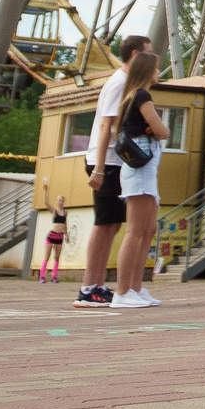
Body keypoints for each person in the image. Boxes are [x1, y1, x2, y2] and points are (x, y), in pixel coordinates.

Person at [75, 34, 156, 308]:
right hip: (108, 160)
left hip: (118, 160)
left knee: (112, 224)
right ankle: (88, 286)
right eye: (148, 53)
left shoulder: (128, 83)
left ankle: (98, 284)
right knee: (104, 223)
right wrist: (98, 168)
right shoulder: (119, 83)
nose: (152, 58)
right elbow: (105, 126)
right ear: (135, 55)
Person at [109, 50, 169, 308]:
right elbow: (162, 131)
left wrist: (155, 129)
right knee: (135, 230)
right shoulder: (142, 95)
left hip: (143, 167)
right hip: (140, 167)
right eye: (156, 68)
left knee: (148, 229)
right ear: (147, 70)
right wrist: (157, 129)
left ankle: (135, 287)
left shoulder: (130, 96)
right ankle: (122, 291)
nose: (158, 72)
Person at [39, 206, 68, 283]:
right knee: (46, 257)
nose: (61, 202)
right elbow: (46, 204)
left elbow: (65, 224)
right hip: (52, 235)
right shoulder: (54, 211)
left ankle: (54, 276)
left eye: (62, 200)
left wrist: (66, 235)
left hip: (60, 236)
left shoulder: (65, 212)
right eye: (60, 200)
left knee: (57, 257)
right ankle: (42, 276)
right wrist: (46, 198)